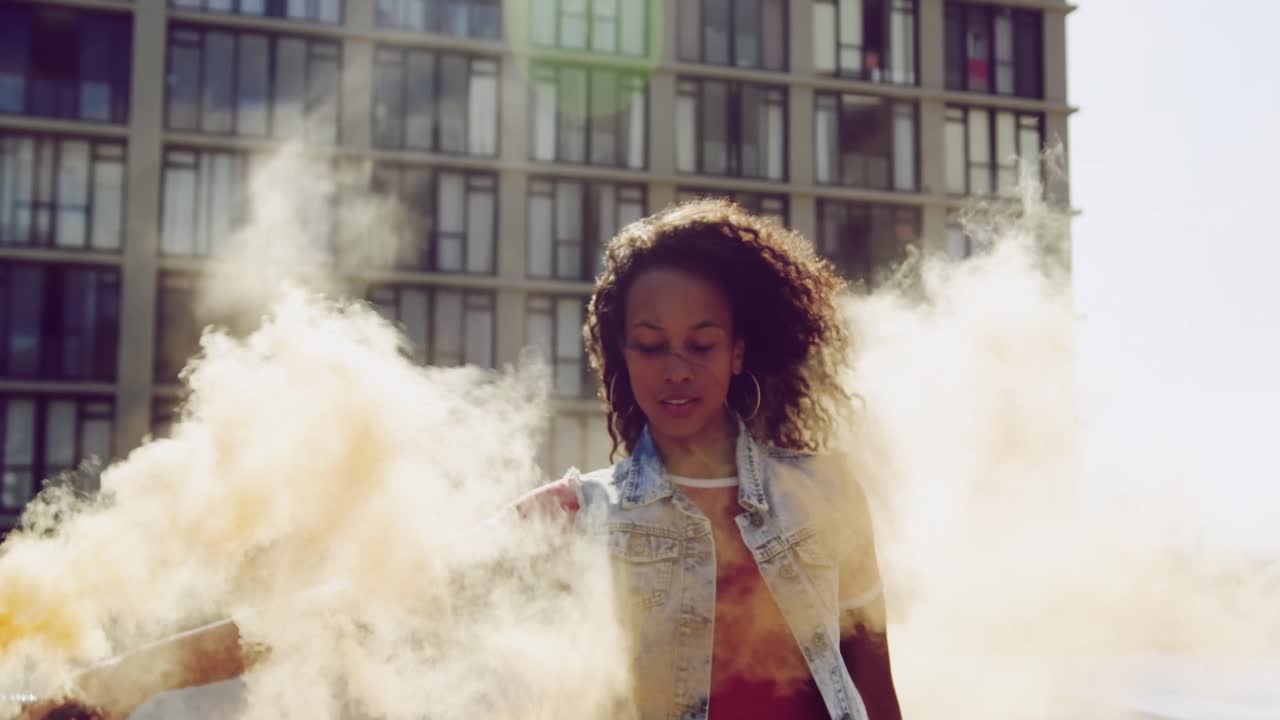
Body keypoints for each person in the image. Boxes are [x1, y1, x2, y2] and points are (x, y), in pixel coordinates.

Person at [22, 199, 900, 720]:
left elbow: (874, 685)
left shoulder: (824, 493)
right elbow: (350, 612)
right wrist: (119, 682)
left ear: (741, 350)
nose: (676, 369)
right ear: (619, 357)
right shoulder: (576, 515)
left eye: (702, 344)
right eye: (650, 344)